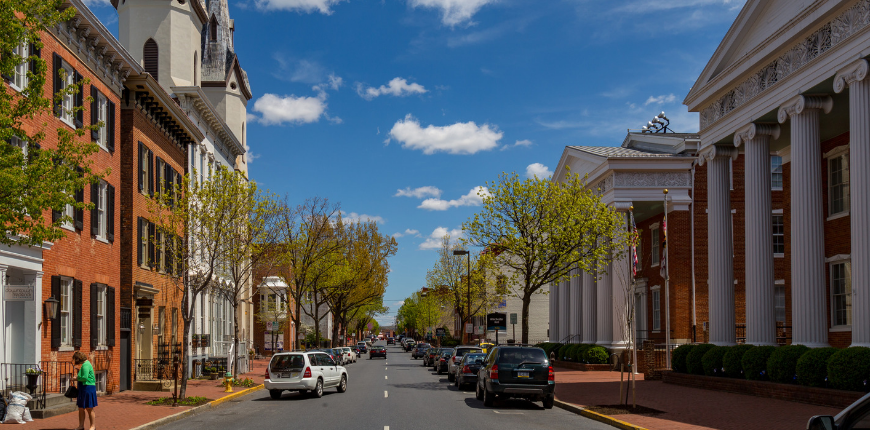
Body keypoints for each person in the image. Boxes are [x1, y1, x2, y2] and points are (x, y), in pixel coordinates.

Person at [72, 351, 97, 430]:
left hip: (88, 388)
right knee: (81, 408)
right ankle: (81, 426)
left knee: (89, 408)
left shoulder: (86, 365)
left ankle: (92, 426)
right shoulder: (85, 364)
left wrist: (76, 378)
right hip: (83, 388)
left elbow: (85, 378)